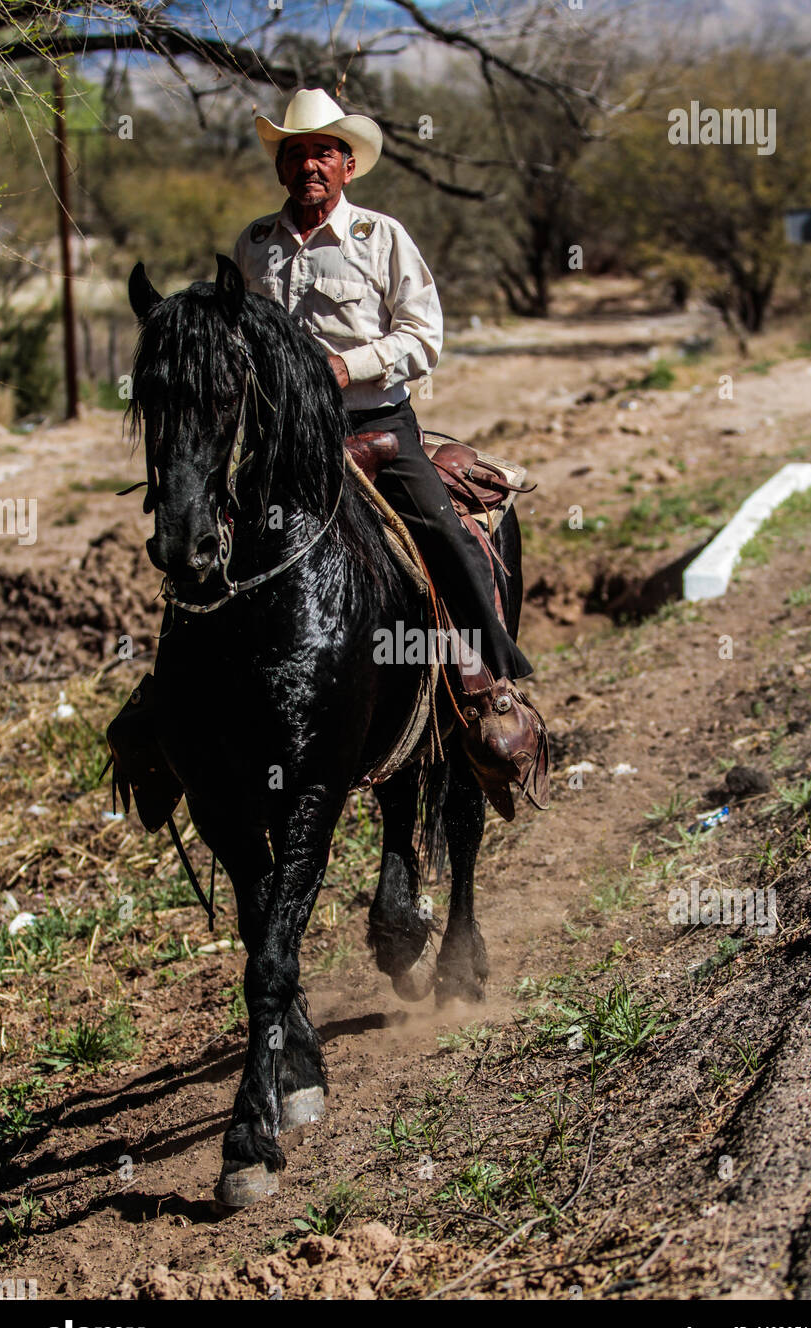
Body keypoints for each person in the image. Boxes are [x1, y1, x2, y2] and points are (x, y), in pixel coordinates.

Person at [233, 88, 548, 811]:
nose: (309, 164)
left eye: (322, 152)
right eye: (295, 153)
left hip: (376, 431)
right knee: (212, 532)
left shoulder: (381, 238)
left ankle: (490, 682)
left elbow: (422, 334)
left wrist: (349, 366)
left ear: (348, 165)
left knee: (442, 529)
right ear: (282, 169)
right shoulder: (254, 244)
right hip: (286, 441)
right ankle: (182, 699)